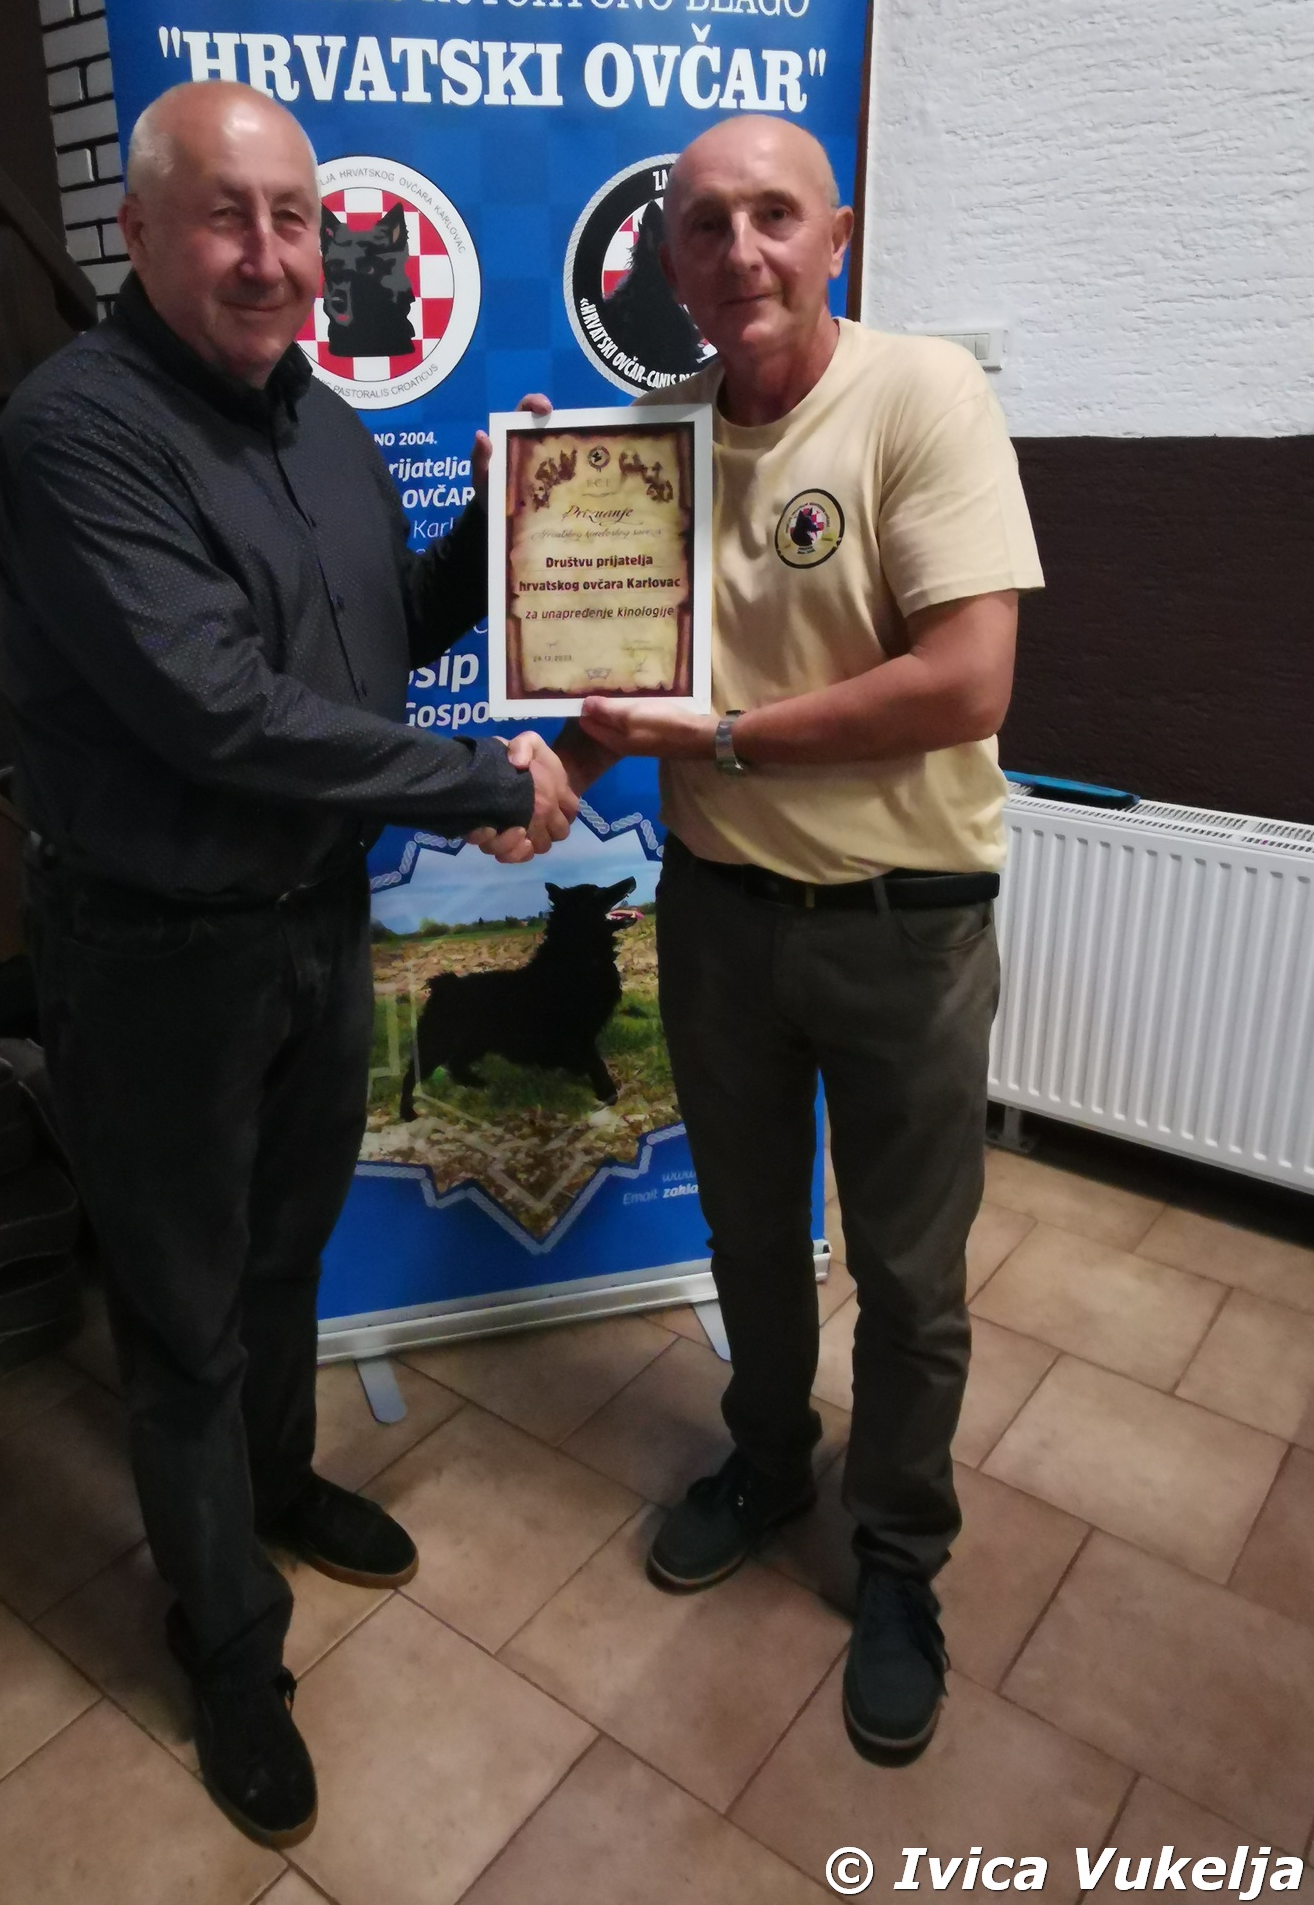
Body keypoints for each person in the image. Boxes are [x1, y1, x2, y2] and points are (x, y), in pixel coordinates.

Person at [0, 80, 575, 1846]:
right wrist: (483, 786)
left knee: (282, 1253)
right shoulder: (73, 434)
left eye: (294, 217)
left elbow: (382, 639)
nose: (268, 254)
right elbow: (218, 712)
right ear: (140, 231)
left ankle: (277, 1489)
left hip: (317, 922)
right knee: (181, 1314)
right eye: (225, 215)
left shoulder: (321, 422)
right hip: (154, 952)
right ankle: (226, 1637)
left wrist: (514, 517)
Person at [556, 115, 1043, 1761]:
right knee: (751, 1235)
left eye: (776, 215)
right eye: (704, 225)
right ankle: (770, 1459)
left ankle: (898, 1556)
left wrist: (725, 739)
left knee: (908, 1274)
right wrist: (549, 763)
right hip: (720, 919)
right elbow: (625, 681)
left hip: (905, 926)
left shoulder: (923, 397)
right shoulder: (654, 442)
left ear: (838, 235)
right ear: (667, 262)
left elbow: (966, 680)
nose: (741, 251)